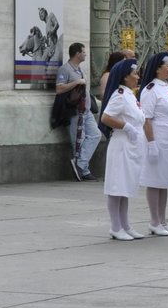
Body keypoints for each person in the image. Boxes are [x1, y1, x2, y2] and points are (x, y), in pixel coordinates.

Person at [138, 52, 168, 234]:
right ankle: (154, 221)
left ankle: (163, 220)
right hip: (158, 138)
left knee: (165, 181)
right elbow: (147, 118)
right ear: (158, 68)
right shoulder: (150, 89)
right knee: (154, 180)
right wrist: (151, 143)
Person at [98, 57, 143, 240]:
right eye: (134, 74)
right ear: (125, 77)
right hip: (121, 145)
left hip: (131, 146)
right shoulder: (119, 94)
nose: (138, 77)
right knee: (117, 186)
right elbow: (106, 117)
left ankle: (125, 224)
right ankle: (115, 226)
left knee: (126, 188)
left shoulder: (129, 94)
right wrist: (126, 126)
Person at [55, 41, 102, 181]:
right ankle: (83, 170)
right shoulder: (65, 69)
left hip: (86, 111)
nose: (86, 54)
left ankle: (80, 165)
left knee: (95, 135)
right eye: (84, 52)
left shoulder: (80, 69)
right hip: (75, 112)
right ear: (77, 54)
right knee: (78, 141)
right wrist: (76, 82)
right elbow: (59, 89)